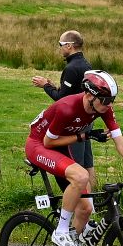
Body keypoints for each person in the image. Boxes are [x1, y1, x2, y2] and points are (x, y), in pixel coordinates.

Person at [25, 69, 123, 246]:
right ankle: (61, 232)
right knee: (81, 176)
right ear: (89, 95)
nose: (108, 105)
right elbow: (48, 142)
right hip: (40, 145)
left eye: (111, 100)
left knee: (86, 209)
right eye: (104, 100)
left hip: (59, 145)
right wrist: (85, 135)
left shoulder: (102, 107)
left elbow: (120, 142)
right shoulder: (67, 107)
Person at [32, 30, 94, 176]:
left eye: (60, 44)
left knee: (76, 166)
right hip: (86, 121)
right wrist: (54, 86)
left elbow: (62, 100)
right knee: (88, 164)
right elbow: (73, 93)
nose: (60, 48)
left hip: (74, 123)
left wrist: (45, 85)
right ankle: (93, 198)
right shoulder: (86, 65)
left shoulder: (71, 68)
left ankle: (80, 198)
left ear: (69, 46)